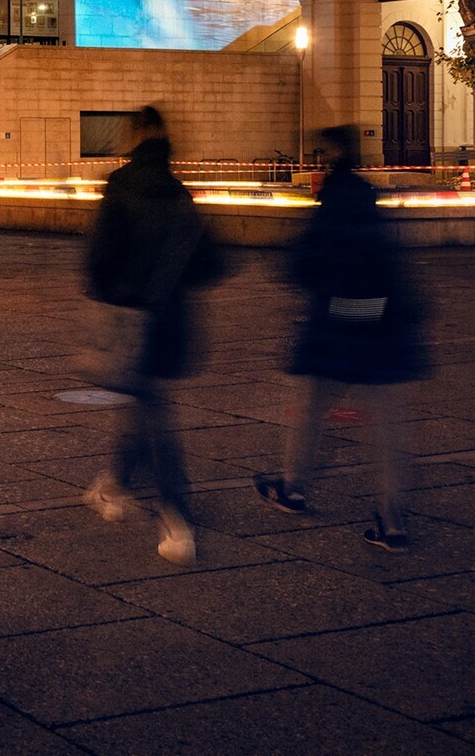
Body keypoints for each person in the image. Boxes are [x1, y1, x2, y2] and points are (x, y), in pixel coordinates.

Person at [255, 125, 428, 552]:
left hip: (336, 320)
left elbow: (304, 264)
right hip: (379, 320)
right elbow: (389, 260)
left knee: (312, 405)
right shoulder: (367, 201)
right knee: (386, 423)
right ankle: (391, 518)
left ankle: (293, 489)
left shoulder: (331, 204)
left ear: (328, 159)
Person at [81, 106, 226, 565]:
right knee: (144, 403)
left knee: (154, 415)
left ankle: (177, 518)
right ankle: (114, 486)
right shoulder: (180, 192)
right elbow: (212, 263)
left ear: (138, 134)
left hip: (132, 319)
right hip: (172, 320)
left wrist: (115, 294)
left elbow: (98, 261)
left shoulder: (122, 186)